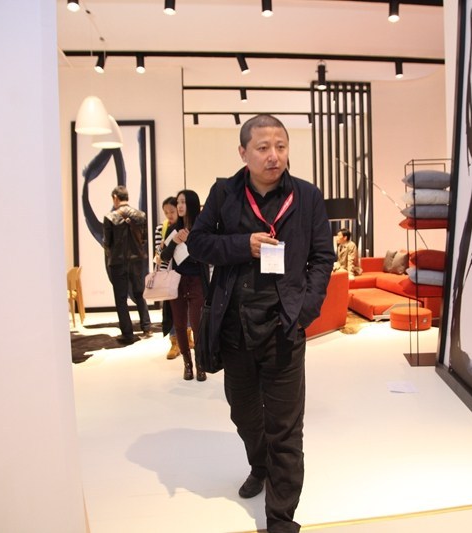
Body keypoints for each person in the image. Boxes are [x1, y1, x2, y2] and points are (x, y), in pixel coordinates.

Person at [188, 114, 334, 533]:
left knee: (285, 427)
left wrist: (305, 310)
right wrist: (242, 244)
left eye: (281, 146)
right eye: (263, 147)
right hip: (234, 327)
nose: (274, 156)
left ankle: (281, 518)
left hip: (284, 326)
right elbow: (198, 243)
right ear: (243, 153)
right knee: (244, 413)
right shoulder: (224, 193)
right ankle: (260, 465)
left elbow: (322, 257)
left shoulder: (306, 196)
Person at [160, 189, 205, 380]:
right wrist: (174, 242)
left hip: (196, 281)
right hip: (176, 281)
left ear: (192, 204)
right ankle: (187, 364)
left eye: (183, 202)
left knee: (197, 324)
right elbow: (163, 256)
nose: (179, 206)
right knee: (179, 324)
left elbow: (206, 257)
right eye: (178, 202)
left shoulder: (201, 228)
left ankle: (201, 364)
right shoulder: (173, 228)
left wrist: (189, 242)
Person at [102, 185, 152, 345]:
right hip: (137, 260)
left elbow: (107, 243)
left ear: (115, 197)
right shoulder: (140, 215)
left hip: (118, 262)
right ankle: (146, 327)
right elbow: (144, 239)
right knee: (139, 293)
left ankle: (127, 333)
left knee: (121, 298)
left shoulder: (110, 217)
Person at [154, 196, 182, 360]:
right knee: (171, 309)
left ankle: (187, 337)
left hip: (184, 272)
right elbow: (159, 252)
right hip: (168, 273)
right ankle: (174, 342)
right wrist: (163, 248)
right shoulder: (161, 228)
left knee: (186, 306)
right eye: (166, 212)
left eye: (172, 211)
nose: (169, 215)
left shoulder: (186, 227)